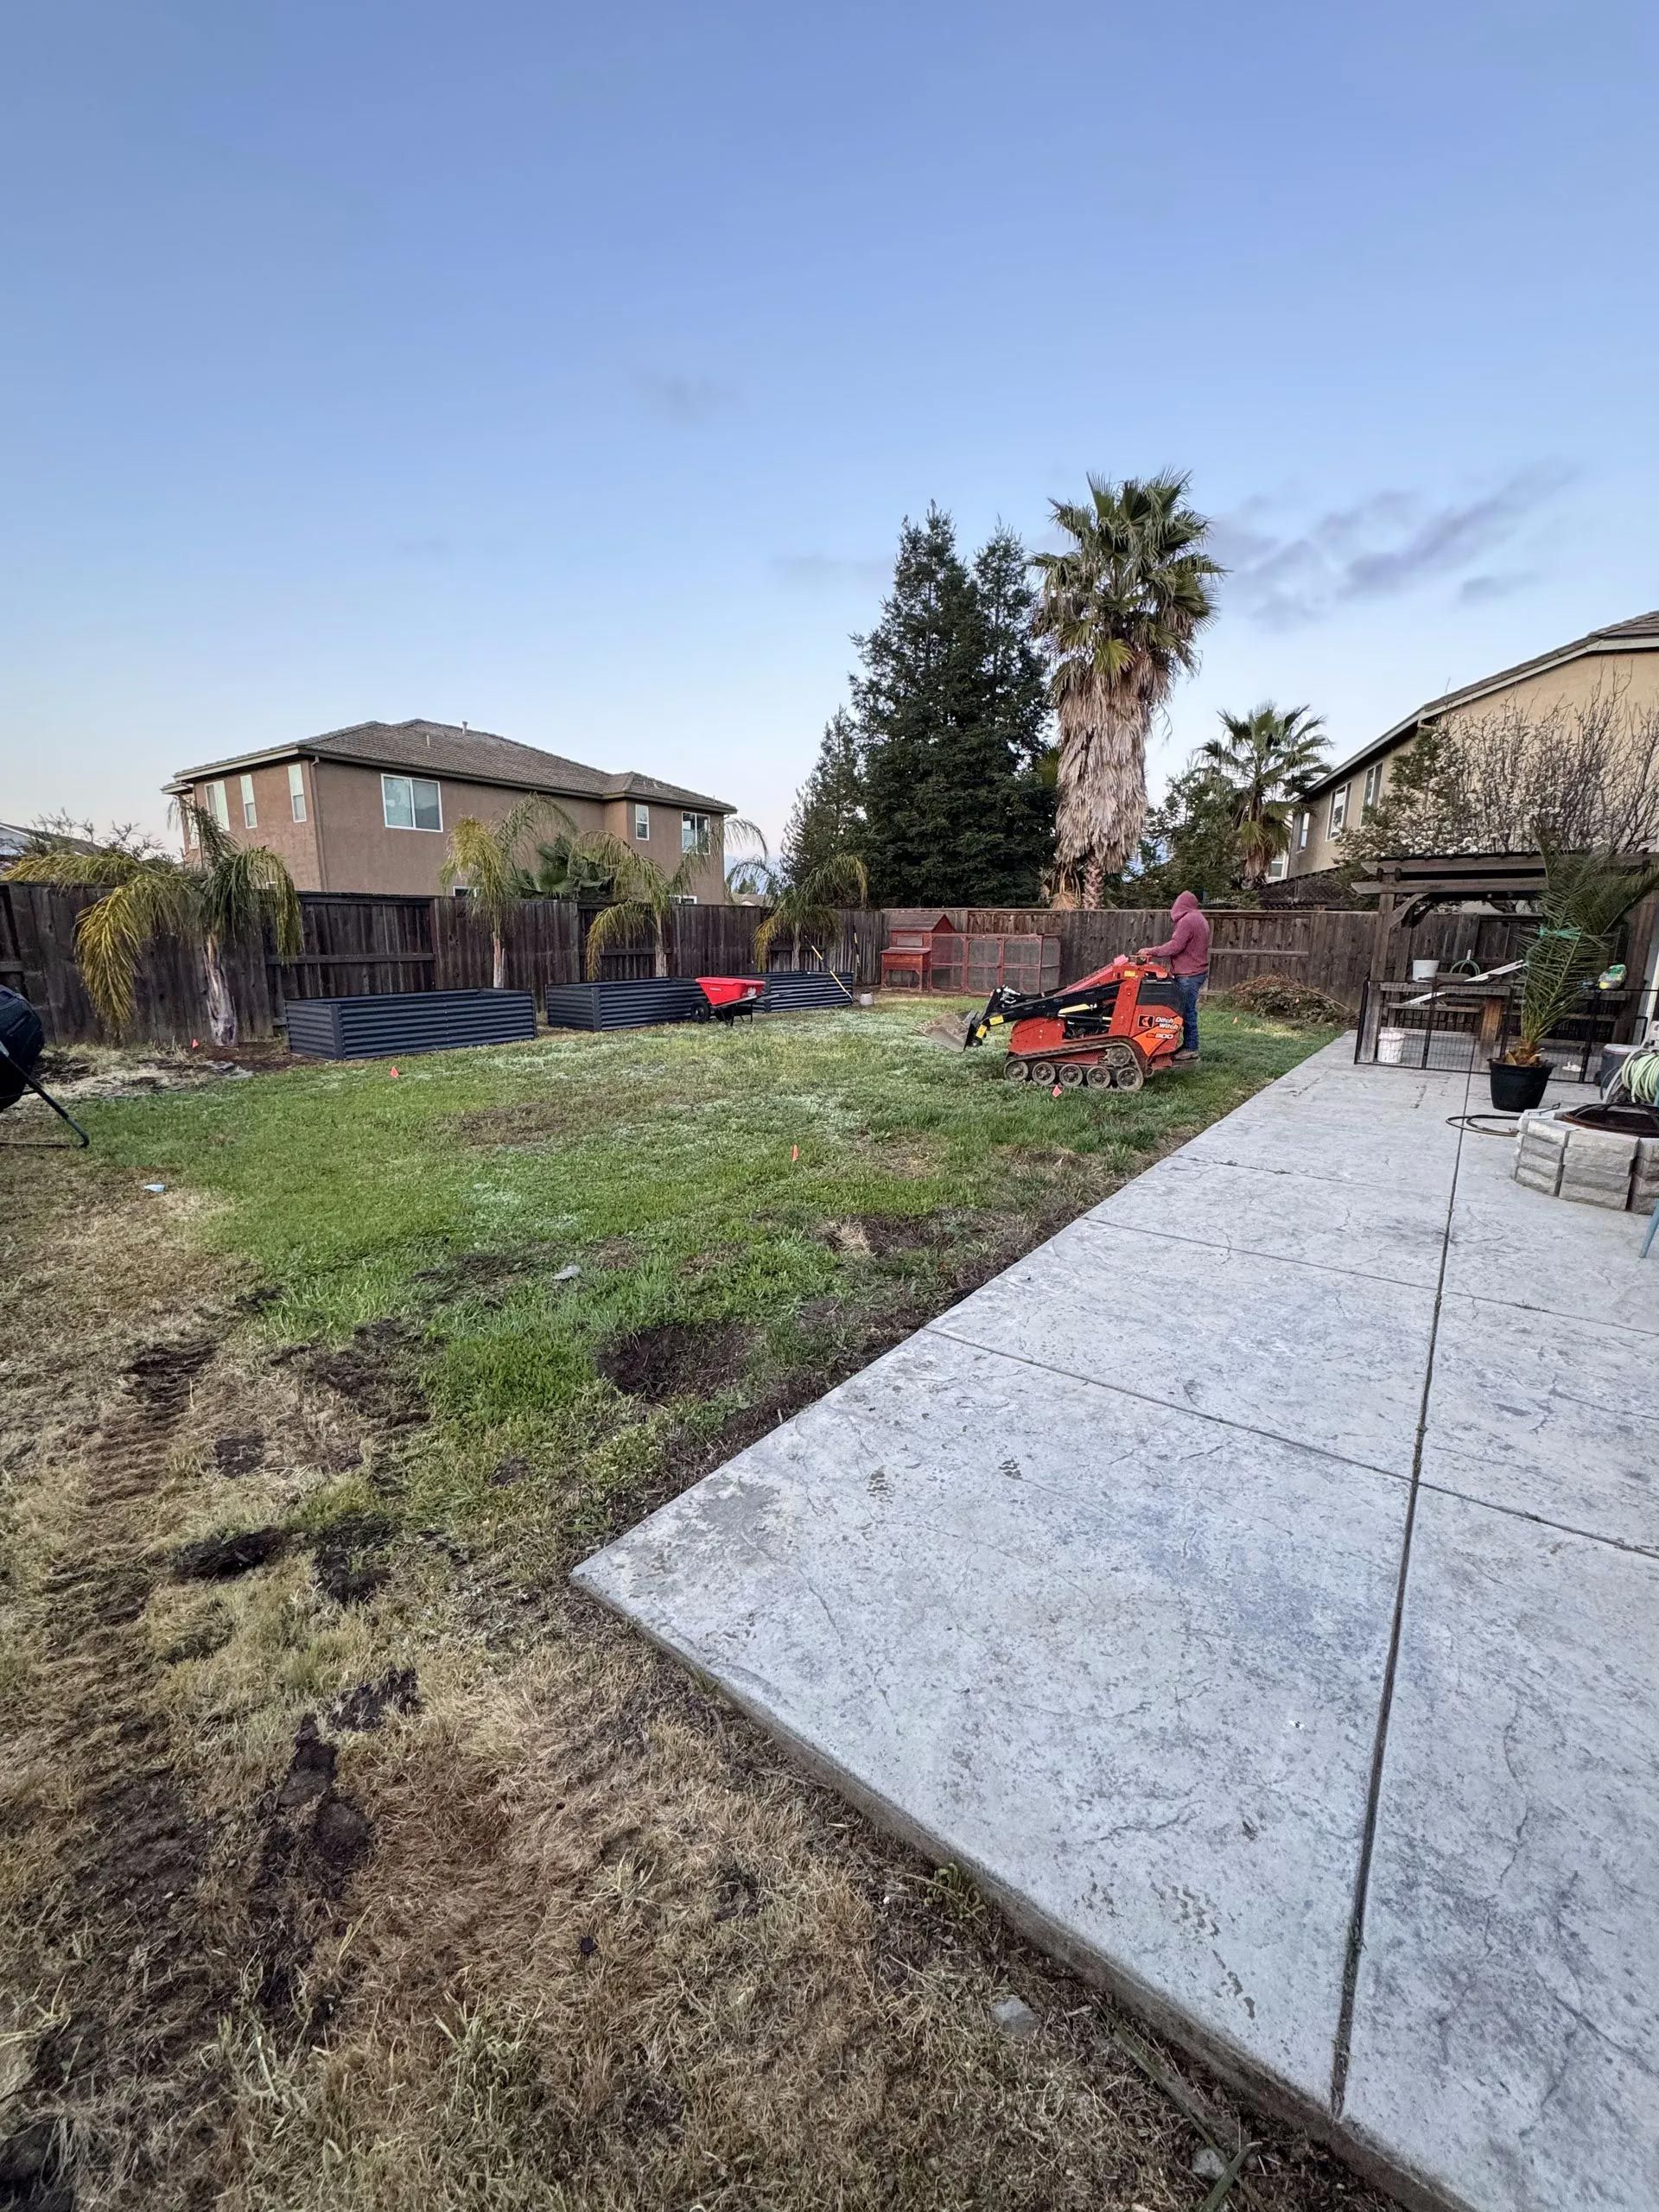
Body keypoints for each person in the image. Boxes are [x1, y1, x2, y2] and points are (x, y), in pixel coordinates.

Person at [1136, 891, 1211, 1065]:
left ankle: (1190, 1048)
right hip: (1195, 972)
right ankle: (1183, 1045)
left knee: (1185, 1010)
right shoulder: (1199, 918)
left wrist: (1151, 951)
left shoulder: (1188, 920)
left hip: (1189, 974)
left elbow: (1175, 946)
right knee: (1185, 1010)